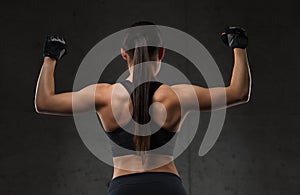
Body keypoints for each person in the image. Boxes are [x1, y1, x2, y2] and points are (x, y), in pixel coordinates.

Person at [34, 21, 251, 195]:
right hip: (167, 187)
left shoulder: (104, 95)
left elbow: (44, 102)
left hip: (123, 188)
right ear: (161, 53)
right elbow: (238, 92)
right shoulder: (176, 96)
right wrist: (238, 46)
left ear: (124, 53)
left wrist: (50, 57)